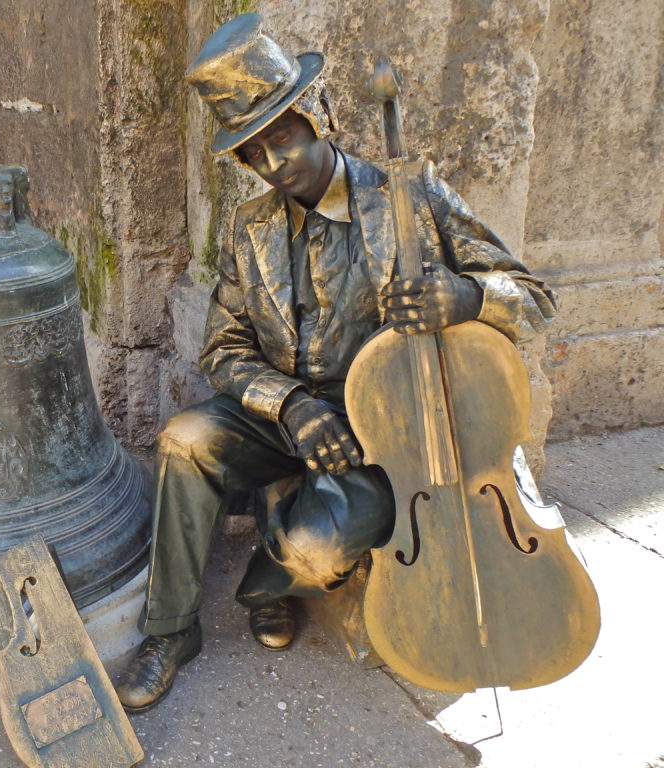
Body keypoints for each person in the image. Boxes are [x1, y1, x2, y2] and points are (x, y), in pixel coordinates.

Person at [114, 14, 558, 714]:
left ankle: (276, 575)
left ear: (316, 114)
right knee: (183, 442)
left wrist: (467, 295)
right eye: (253, 154)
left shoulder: (411, 195)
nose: (273, 164)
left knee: (313, 550)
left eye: (281, 138)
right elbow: (223, 350)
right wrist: (292, 406)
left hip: (385, 425)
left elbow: (534, 299)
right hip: (290, 410)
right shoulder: (249, 226)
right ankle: (171, 631)